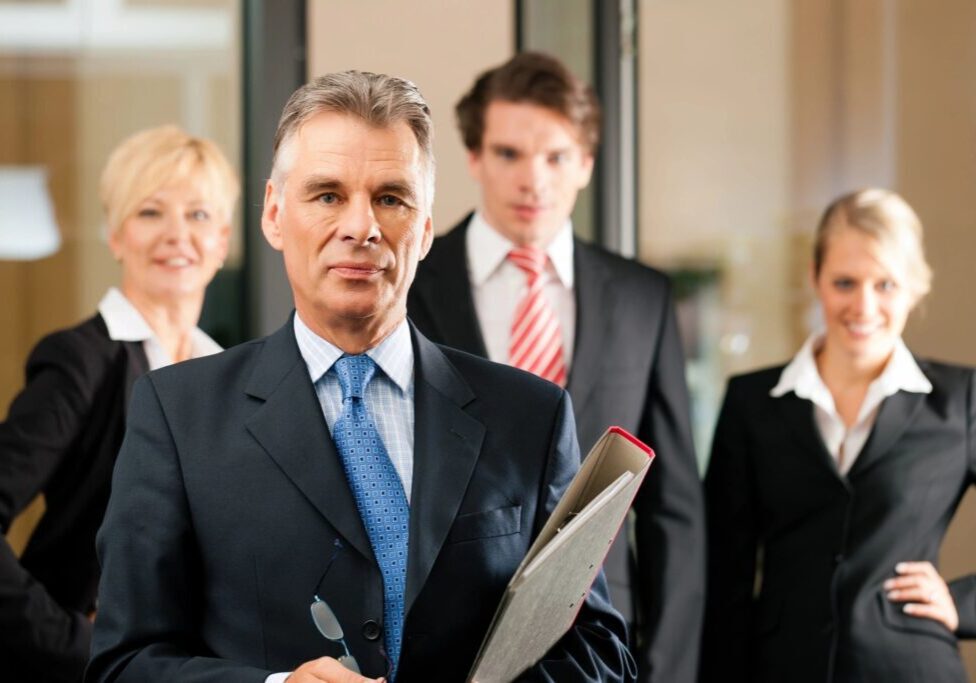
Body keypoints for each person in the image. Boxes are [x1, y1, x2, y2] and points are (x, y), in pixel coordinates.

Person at [86, 70, 635, 683]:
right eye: (327, 195)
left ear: (424, 229)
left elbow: (598, 650)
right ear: (273, 214)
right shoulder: (177, 414)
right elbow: (124, 664)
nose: (361, 227)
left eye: (391, 198)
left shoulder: (529, 417)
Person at [407, 51, 704, 682]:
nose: (532, 180)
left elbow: (674, 507)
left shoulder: (643, 297)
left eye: (556, 157)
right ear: (475, 158)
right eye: (510, 154)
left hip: (602, 646)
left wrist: (667, 669)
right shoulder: (410, 286)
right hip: (439, 641)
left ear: (587, 165)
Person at [700, 188, 976, 682]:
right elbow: (724, 572)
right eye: (845, 282)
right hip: (781, 669)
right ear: (816, 279)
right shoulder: (752, 402)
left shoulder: (961, 401)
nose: (863, 305)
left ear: (915, 287)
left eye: (886, 284)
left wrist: (961, 603)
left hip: (911, 668)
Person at [0, 124, 237, 682]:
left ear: (223, 240)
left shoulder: (231, 376)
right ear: (115, 234)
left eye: (199, 215)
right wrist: (74, 645)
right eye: (151, 212)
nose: (177, 234)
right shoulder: (78, 362)